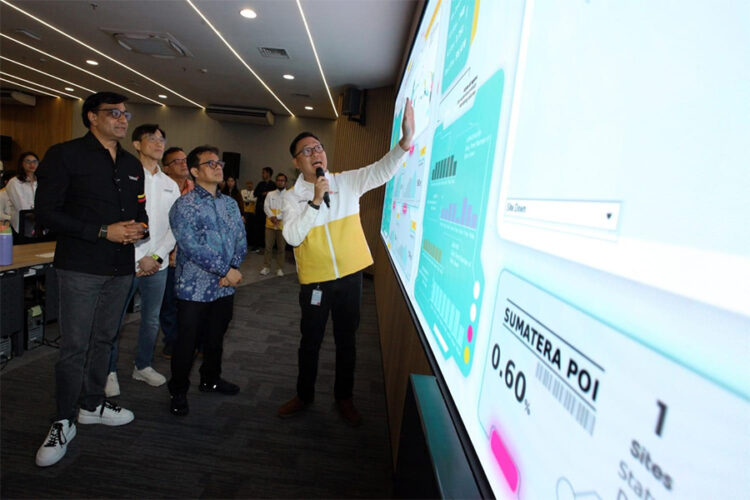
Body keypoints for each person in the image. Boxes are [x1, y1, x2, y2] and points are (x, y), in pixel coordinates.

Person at [277, 98, 414, 426]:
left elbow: (381, 170)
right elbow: (292, 237)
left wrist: (406, 141)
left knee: (347, 341)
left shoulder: (346, 182)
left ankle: (344, 398)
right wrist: (314, 201)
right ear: (296, 161)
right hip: (316, 282)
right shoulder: (291, 197)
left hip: (351, 278)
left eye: (319, 148)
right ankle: (304, 395)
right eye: (307, 150)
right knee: (310, 341)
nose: (316, 153)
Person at [34, 91, 147, 467]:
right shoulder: (65, 155)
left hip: (120, 268)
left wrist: (139, 229)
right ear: (91, 117)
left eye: (125, 114)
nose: (122, 119)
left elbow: (137, 212)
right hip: (81, 266)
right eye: (113, 113)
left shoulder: (131, 163)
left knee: (105, 340)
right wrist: (102, 231)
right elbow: (46, 213)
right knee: (74, 347)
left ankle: (92, 404)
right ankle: (63, 420)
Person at [167, 145, 247, 416]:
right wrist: (225, 270)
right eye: (210, 163)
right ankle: (178, 391)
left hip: (224, 288)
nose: (218, 167)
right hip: (194, 289)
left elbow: (241, 239)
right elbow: (192, 246)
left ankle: (210, 379)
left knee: (216, 338)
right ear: (194, 170)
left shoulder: (230, 203)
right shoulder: (184, 205)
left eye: (219, 163)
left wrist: (232, 269)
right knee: (187, 343)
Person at [105, 124, 180, 397]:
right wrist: (139, 258)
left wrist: (156, 257)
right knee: (114, 320)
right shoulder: (123, 176)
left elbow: (174, 227)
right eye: (152, 139)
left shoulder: (170, 184)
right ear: (136, 144)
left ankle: (143, 365)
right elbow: (117, 221)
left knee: (151, 320)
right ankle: (108, 371)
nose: (159, 143)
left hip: (157, 264)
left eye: (162, 139)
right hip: (126, 261)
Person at [159, 146, 194, 358]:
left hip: (191, 259)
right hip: (166, 257)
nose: (183, 164)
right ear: (166, 168)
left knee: (190, 304)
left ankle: (191, 341)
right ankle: (172, 341)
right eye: (177, 161)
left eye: (185, 160)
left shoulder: (196, 189)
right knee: (168, 304)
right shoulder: (160, 189)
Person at [6, 152, 39, 239]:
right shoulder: (14, 182)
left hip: (40, 224)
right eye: (28, 161)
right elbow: (21, 205)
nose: (32, 164)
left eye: (35, 161)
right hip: (21, 224)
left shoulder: (41, 181)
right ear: (22, 163)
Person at [260, 173, 288, 277]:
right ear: (276, 182)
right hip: (270, 224)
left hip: (282, 225)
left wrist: (278, 217)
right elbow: (266, 207)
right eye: (278, 180)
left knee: (281, 248)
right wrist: (272, 217)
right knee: (268, 247)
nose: (280, 182)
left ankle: (279, 268)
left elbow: (288, 209)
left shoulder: (289, 195)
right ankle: (266, 267)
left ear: (286, 183)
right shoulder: (270, 194)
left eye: (282, 180)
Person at [252, 167, 275, 252]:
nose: (262, 174)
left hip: (269, 210)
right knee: (257, 227)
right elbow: (255, 193)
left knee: (267, 228)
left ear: (268, 174)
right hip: (259, 208)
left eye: (264, 173)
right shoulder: (260, 184)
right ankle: (256, 246)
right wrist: (263, 193)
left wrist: (269, 193)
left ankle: (266, 247)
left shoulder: (273, 184)